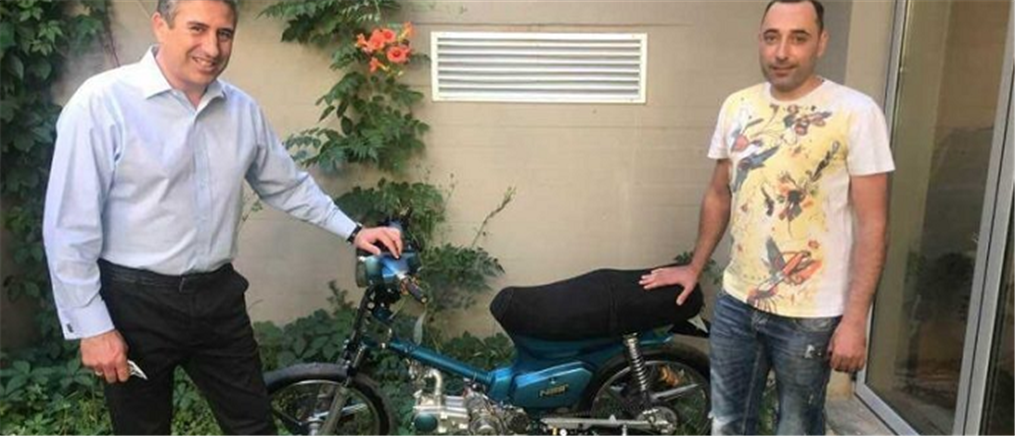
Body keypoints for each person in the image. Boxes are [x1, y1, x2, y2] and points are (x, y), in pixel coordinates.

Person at [42, 1, 402, 434]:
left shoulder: (241, 110)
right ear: (160, 25)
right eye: (197, 29)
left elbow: (286, 185)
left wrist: (354, 231)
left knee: (254, 427)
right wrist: (93, 327)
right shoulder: (102, 103)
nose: (212, 48)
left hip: (217, 299)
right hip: (134, 304)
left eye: (224, 33)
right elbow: (70, 226)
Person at [639, 0, 894, 434]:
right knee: (727, 423)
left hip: (811, 316)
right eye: (772, 37)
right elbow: (719, 193)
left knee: (796, 426)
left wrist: (855, 320)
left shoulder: (856, 112)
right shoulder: (737, 106)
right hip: (738, 304)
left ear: (821, 42)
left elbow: (874, 224)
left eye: (798, 38)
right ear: (760, 40)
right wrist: (694, 266)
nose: (782, 52)